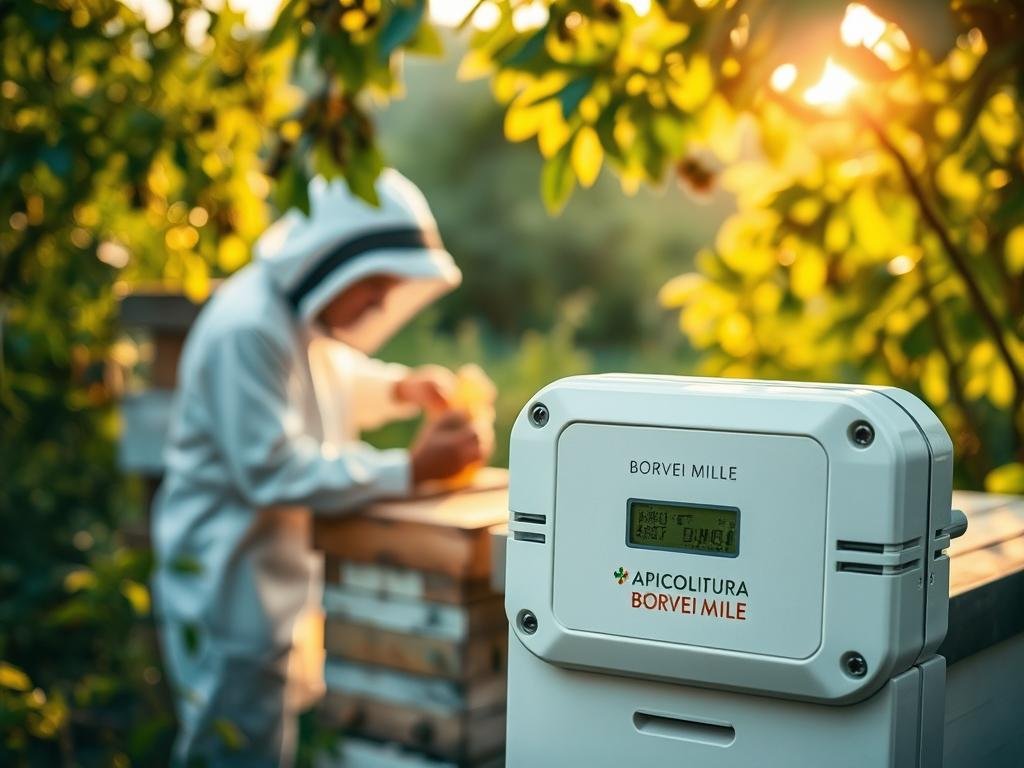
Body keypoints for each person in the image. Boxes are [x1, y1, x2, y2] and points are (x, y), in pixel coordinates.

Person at [151, 170, 485, 766]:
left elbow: (331, 383)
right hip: (227, 588)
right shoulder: (246, 328)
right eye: (374, 284)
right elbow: (272, 468)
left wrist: (404, 389)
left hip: (264, 581)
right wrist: (411, 471)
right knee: (230, 749)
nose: (380, 302)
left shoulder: (291, 318)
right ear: (332, 262)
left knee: (266, 740)